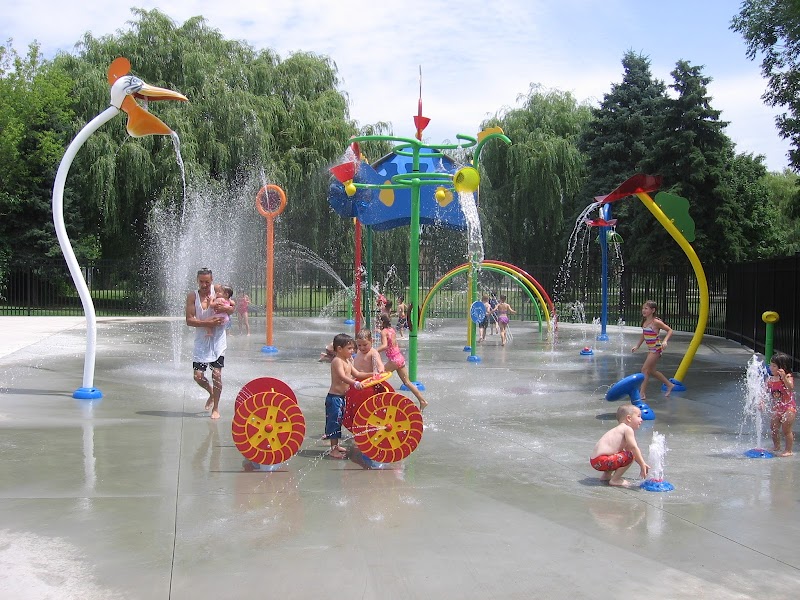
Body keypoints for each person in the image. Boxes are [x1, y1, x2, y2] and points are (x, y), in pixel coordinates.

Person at [185, 268, 234, 419]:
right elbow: (189, 320)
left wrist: (228, 308)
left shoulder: (218, 291)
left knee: (217, 374)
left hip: (218, 341)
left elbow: (232, 305)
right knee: (198, 376)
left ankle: (216, 408)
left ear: (212, 281)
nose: (204, 285)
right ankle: (211, 393)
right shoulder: (193, 296)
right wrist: (208, 322)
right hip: (201, 342)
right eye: (201, 282)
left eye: (207, 282)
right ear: (197, 281)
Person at [326, 333, 369, 459]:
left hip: (342, 398)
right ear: (339, 349)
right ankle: (333, 449)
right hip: (334, 398)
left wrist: (373, 374)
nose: (353, 351)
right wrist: (354, 383)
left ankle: (336, 446)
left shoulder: (347, 361)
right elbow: (342, 377)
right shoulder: (337, 361)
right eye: (349, 349)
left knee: (339, 421)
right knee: (334, 422)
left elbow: (357, 374)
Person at [376, 313, 428, 410]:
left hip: (394, 360)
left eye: (378, 321)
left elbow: (385, 345)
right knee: (407, 382)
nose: (377, 323)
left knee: (378, 377)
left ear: (381, 321)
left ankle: (381, 400)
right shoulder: (392, 330)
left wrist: (374, 350)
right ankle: (422, 400)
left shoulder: (384, 332)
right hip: (400, 357)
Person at [590, 405, 650, 487]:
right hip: (602, 460)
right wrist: (642, 464)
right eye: (639, 416)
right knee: (630, 455)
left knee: (623, 454)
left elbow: (629, 449)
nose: (641, 420)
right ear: (629, 418)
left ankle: (606, 476)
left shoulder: (618, 429)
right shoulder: (627, 429)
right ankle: (615, 480)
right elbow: (633, 449)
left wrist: (641, 463)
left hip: (596, 461)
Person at [631, 300, 674, 400]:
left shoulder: (656, 322)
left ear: (653, 310)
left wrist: (665, 341)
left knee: (644, 370)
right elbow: (644, 334)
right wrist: (637, 346)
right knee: (652, 371)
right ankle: (669, 385)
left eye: (646, 308)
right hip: (651, 349)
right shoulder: (645, 322)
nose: (643, 310)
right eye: (643, 308)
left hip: (656, 349)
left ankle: (642, 393)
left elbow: (670, 330)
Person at [767, 352, 796, 457]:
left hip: (789, 408)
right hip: (777, 408)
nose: (771, 368)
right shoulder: (770, 379)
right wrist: (760, 400)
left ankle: (788, 450)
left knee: (786, 429)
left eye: (774, 366)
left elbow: (790, 388)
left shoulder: (788, 377)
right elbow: (764, 391)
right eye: (770, 365)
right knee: (773, 428)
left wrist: (784, 378)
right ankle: (776, 446)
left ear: (782, 368)